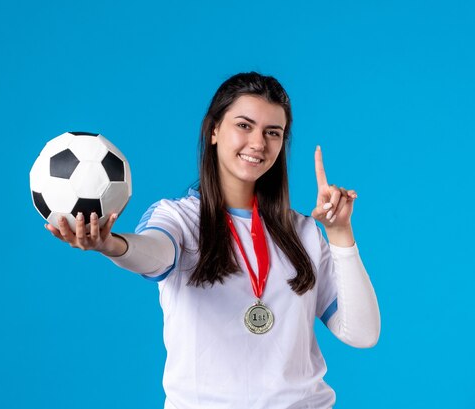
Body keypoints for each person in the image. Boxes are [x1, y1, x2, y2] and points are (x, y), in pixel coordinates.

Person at [45, 72, 381, 409]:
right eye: (244, 126)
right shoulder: (178, 218)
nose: (258, 144)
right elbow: (155, 253)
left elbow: (362, 333)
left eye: (272, 133)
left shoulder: (303, 232)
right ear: (214, 130)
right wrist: (112, 245)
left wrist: (339, 233)